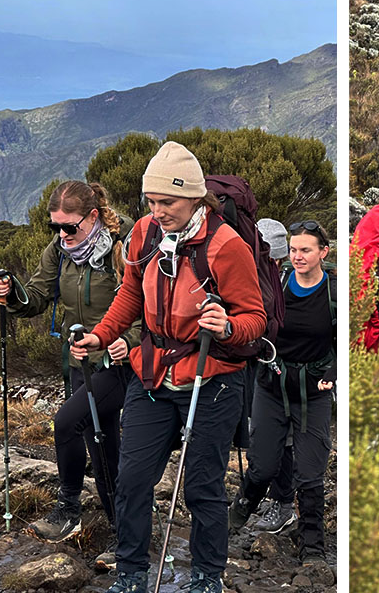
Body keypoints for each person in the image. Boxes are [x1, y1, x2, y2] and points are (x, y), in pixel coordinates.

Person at [71, 141, 266, 593]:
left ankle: (205, 578)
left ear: (195, 197)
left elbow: (254, 318)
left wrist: (227, 326)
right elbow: (130, 295)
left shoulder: (226, 245)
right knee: (132, 480)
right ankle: (131, 575)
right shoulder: (143, 233)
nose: (158, 211)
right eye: (152, 201)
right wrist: (101, 336)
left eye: (168, 202)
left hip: (212, 379)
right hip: (153, 375)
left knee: (201, 488)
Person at [0, 180, 136, 568]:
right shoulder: (60, 250)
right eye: (55, 226)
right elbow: (37, 296)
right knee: (102, 446)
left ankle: (70, 510)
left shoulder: (124, 248)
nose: (62, 234)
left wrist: (128, 342)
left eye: (69, 226)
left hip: (117, 363)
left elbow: (148, 306)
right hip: (78, 362)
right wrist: (10, 293)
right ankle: (125, 535)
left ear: (92, 216)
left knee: (66, 423)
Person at [228, 220, 336, 566]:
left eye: (306, 250)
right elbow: (256, 324)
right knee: (261, 468)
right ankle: (235, 517)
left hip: (313, 392)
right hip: (271, 385)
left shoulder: (334, 291)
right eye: (293, 250)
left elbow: (345, 339)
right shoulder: (278, 284)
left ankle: (313, 547)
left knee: (309, 474)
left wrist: (332, 375)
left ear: (324, 252)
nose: (298, 256)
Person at [252, 217, 297, 534]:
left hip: (285, 371)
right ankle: (278, 501)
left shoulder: (291, 282)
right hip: (262, 368)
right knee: (266, 437)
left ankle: (284, 505)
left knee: (283, 440)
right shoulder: (261, 278)